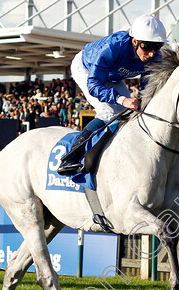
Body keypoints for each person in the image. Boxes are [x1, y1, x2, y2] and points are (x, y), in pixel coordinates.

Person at [57, 14, 168, 175]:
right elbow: (94, 85)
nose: (151, 53)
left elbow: (147, 89)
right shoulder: (112, 47)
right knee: (108, 112)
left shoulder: (155, 57)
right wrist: (122, 99)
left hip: (113, 75)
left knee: (128, 114)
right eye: (147, 47)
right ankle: (70, 157)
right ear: (135, 41)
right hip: (87, 70)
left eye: (156, 47)